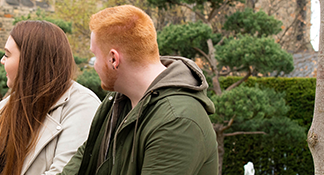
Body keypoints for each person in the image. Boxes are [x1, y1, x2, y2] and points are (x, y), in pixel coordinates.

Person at [59, 5, 219, 175]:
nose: (94, 65)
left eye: (95, 56)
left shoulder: (177, 120)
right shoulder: (117, 102)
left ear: (114, 59)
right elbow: (81, 163)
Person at [0, 20, 101, 175]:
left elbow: (64, 172)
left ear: (30, 60)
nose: (2, 60)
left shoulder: (82, 106)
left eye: (7, 54)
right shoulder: (6, 106)